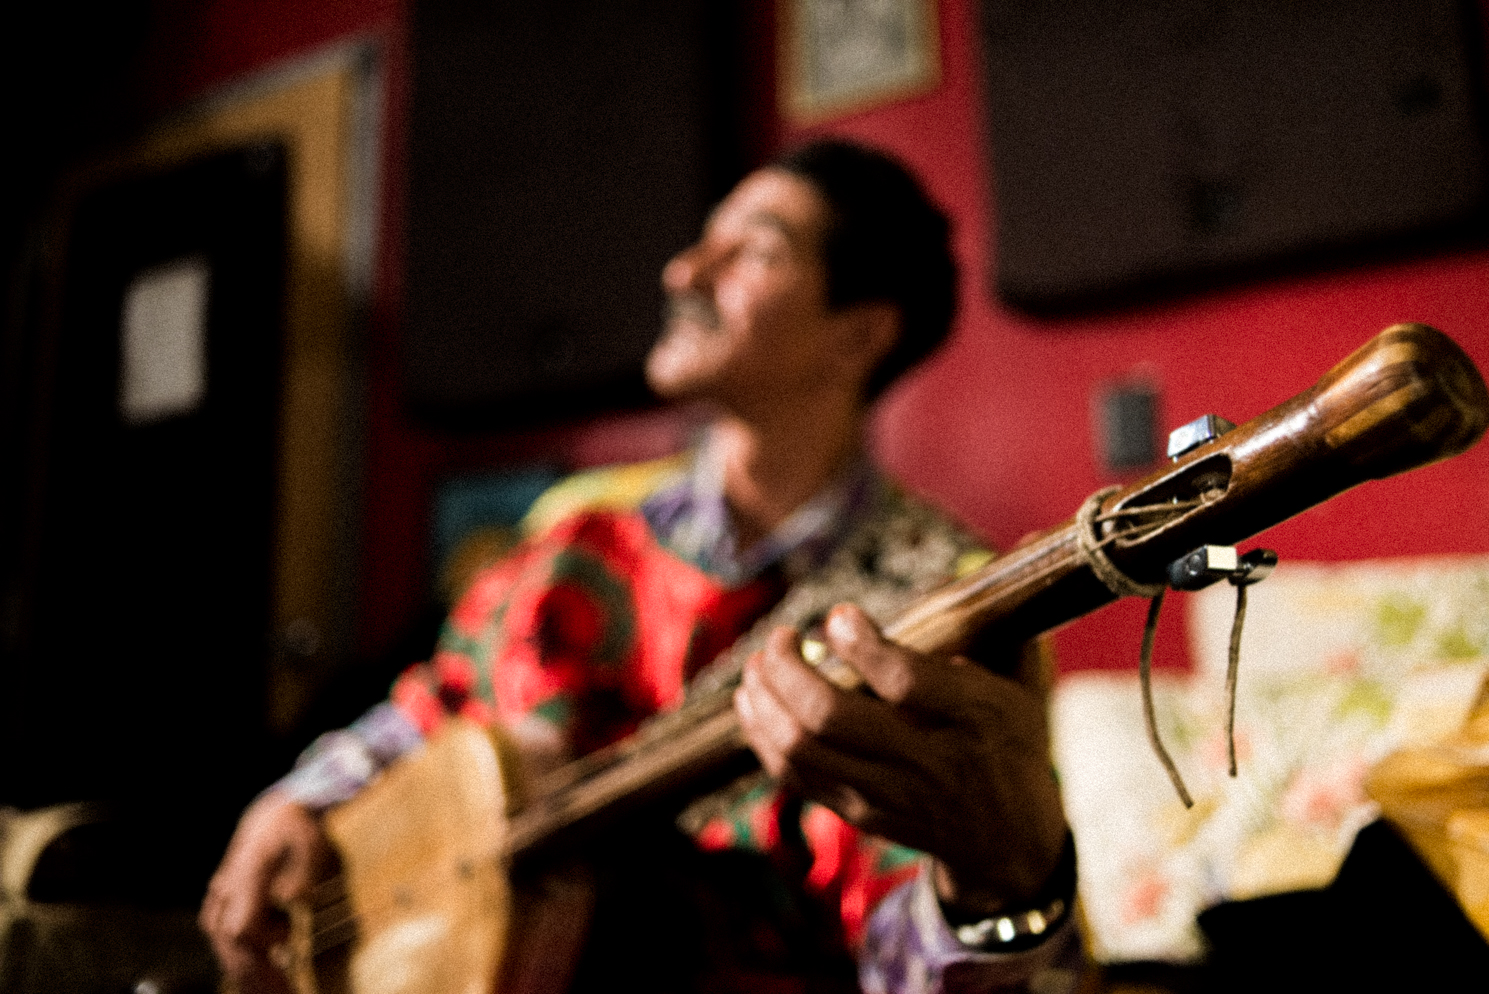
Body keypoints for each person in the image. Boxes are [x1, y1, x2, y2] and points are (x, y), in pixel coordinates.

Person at [200, 139, 1082, 993]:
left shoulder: (942, 604)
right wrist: (299, 802)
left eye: (752, 253)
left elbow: (918, 949)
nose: (683, 272)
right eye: (705, 240)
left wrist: (994, 891)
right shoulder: (582, 532)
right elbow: (437, 705)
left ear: (858, 336)